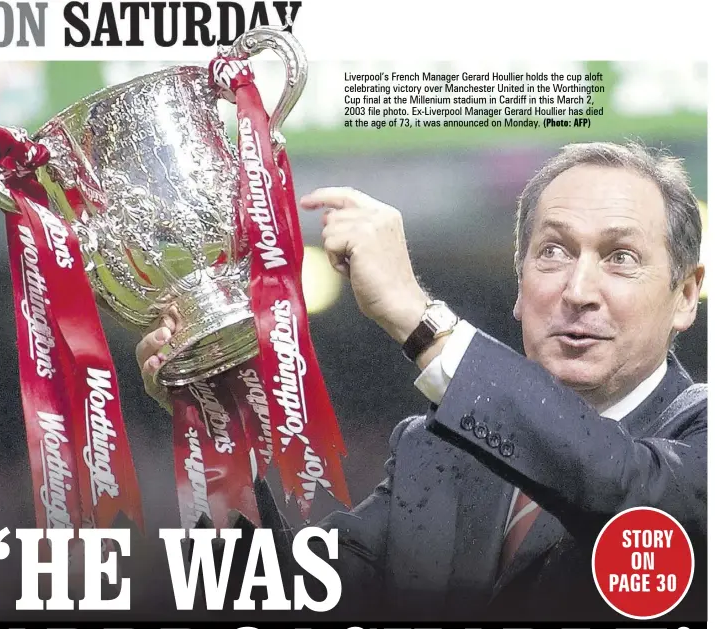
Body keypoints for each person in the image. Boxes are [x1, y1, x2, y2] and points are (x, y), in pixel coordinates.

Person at [136, 142, 707, 620]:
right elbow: (281, 595)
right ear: (519, 284)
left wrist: (419, 318)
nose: (579, 291)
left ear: (686, 295)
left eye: (621, 257)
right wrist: (216, 428)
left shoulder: (697, 439)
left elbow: (629, 495)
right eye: (552, 252)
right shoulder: (439, 453)